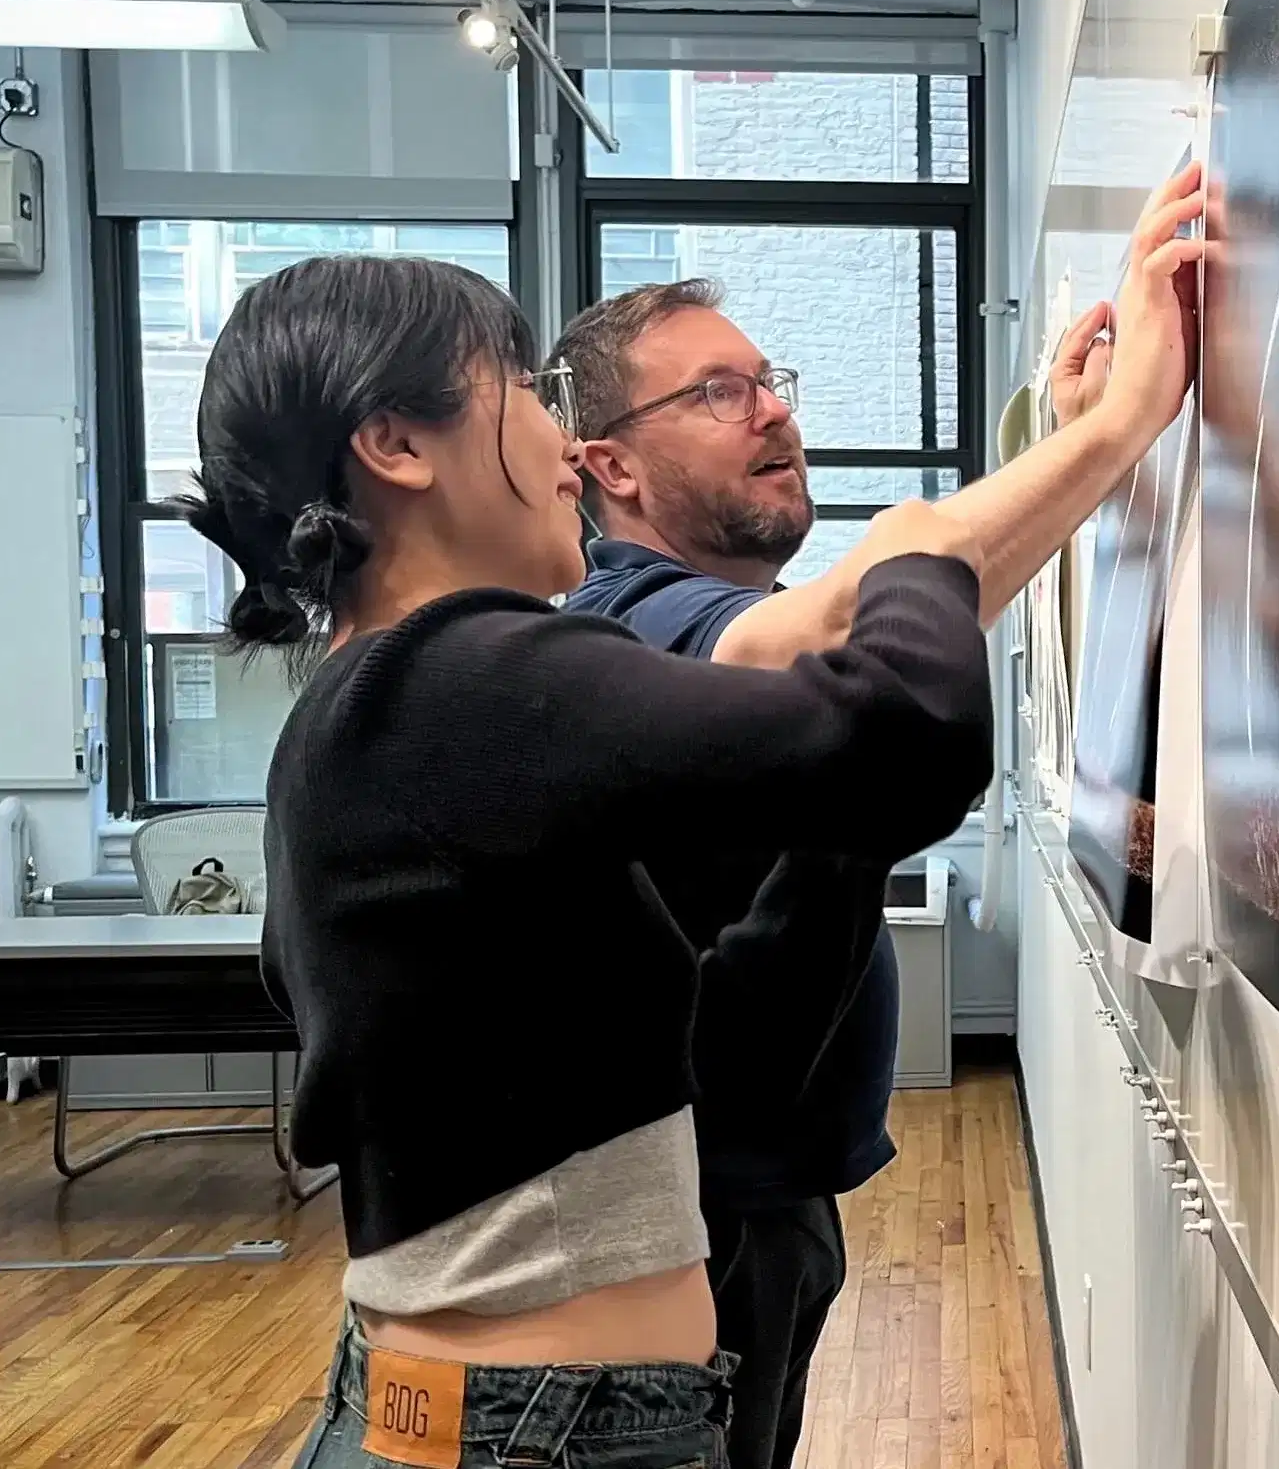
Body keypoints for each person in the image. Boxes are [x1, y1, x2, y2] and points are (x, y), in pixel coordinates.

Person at [177, 252, 1009, 1469]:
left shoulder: (358, 714)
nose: (567, 452)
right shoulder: (461, 677)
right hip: (543, 1435)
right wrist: (915, 555)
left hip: (504, 1415)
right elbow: (906, 739)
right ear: (398, 444)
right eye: (520, 389)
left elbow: (691, 1056)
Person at [544, 163, 1203, 1469]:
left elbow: (890, 660)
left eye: (770, 377)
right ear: (606, 463)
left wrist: (1058, 460)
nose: (774, 411)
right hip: (698, 1220)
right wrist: (1120, 429)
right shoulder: (635, 623)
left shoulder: (701, 627)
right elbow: (855, 622)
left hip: (753, 1194)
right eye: (718, 393)